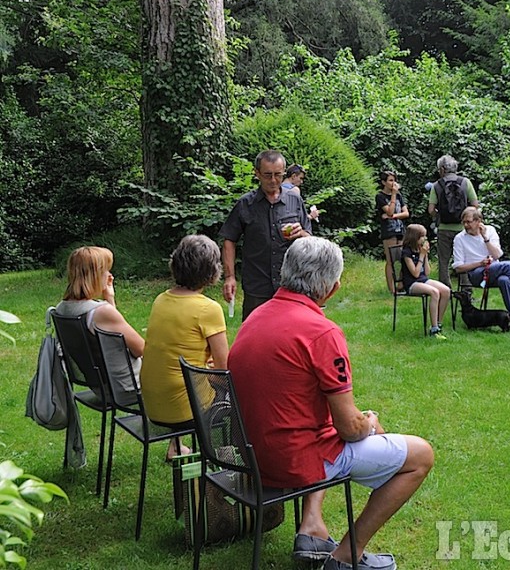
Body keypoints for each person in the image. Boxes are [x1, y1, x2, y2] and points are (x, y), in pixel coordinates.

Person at [229, 237, 434, 570]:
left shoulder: (255, 316)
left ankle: (312, 526)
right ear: (332, 288)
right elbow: (348, 429)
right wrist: (368, 422)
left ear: (285, 272)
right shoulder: (322, 332)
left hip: (253, 453)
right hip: (289, 461)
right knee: (421, 454)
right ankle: (346, 555)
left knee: (329, 422)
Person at [141, 235, 228, 459]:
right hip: (186, 410)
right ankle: (229, 464)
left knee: (183, 376)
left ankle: (176, 447)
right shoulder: (208, 309)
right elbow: (225, 371)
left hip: (153, 403)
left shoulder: (161, 299)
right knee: (237, 397)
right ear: (212, 272)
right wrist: (208, 371)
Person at [220, 150, 312, 320]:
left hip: (290, 284)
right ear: (257, 173)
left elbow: (309, 238)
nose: (273, 180)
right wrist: (230, 277)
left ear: (284, 172)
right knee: (253, 336)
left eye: (278, 174)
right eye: (267, 175)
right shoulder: (245, 204)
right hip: (256, 285)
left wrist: (301, 234)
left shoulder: (295, 200)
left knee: (288, 336)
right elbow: (229, 239)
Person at [55, 246, 144, 405]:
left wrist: (109, 299)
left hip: (101, 389)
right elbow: (142, 349)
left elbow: (114, 336)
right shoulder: (101, 312)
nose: (110, 275)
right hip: (130, 389)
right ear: (95, 275)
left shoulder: (62, 308)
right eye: (106, 270)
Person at [452, 206, 510, 333]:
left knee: (505, 280)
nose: (465, 225)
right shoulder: (460, 238)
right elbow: (458, 268)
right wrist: (480, 263)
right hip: (476, 275)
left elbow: (497, 255)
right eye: (464, 222)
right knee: (508, 265)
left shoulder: (490, 230)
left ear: (478, 221)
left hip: (495, 271)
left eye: (468, 222)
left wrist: (485, 238)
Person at [428, 155, 479, 287]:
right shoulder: (465, 182)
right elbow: (475, 205)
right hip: (463, 229)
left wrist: (438, 216)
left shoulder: (436, 185)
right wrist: (465, 218)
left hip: (444, 229)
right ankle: (466, 290)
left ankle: (446, 289)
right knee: (464, 259)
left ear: (442, 169)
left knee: (443, 261)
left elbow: (431, 209)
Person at [401, 224, 451, 339]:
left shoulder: (420, 250)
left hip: (423, 280)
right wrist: (421, 256)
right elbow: (415, 273)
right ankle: (433, 330)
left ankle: (438, 323)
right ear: (414, 237)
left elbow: (427, 272)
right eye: (422, 236)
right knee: (434, 292)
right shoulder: (406, 253)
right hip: (411, 284)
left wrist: (425, 255)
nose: (425, 239)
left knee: (446, 290)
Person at [376, 170, 409, 294]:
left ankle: (401, 284)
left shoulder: (399, 196)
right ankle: (392, 288)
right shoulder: (380, 197)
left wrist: (393, 216)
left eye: (394, 180)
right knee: (390, 259)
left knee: (402, 258)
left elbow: (406, 213)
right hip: (389, 231)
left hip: (400, 229)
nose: (393, 183)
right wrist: (393, 195)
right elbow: (389, 210)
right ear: (384, 182)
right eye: (390, 180)